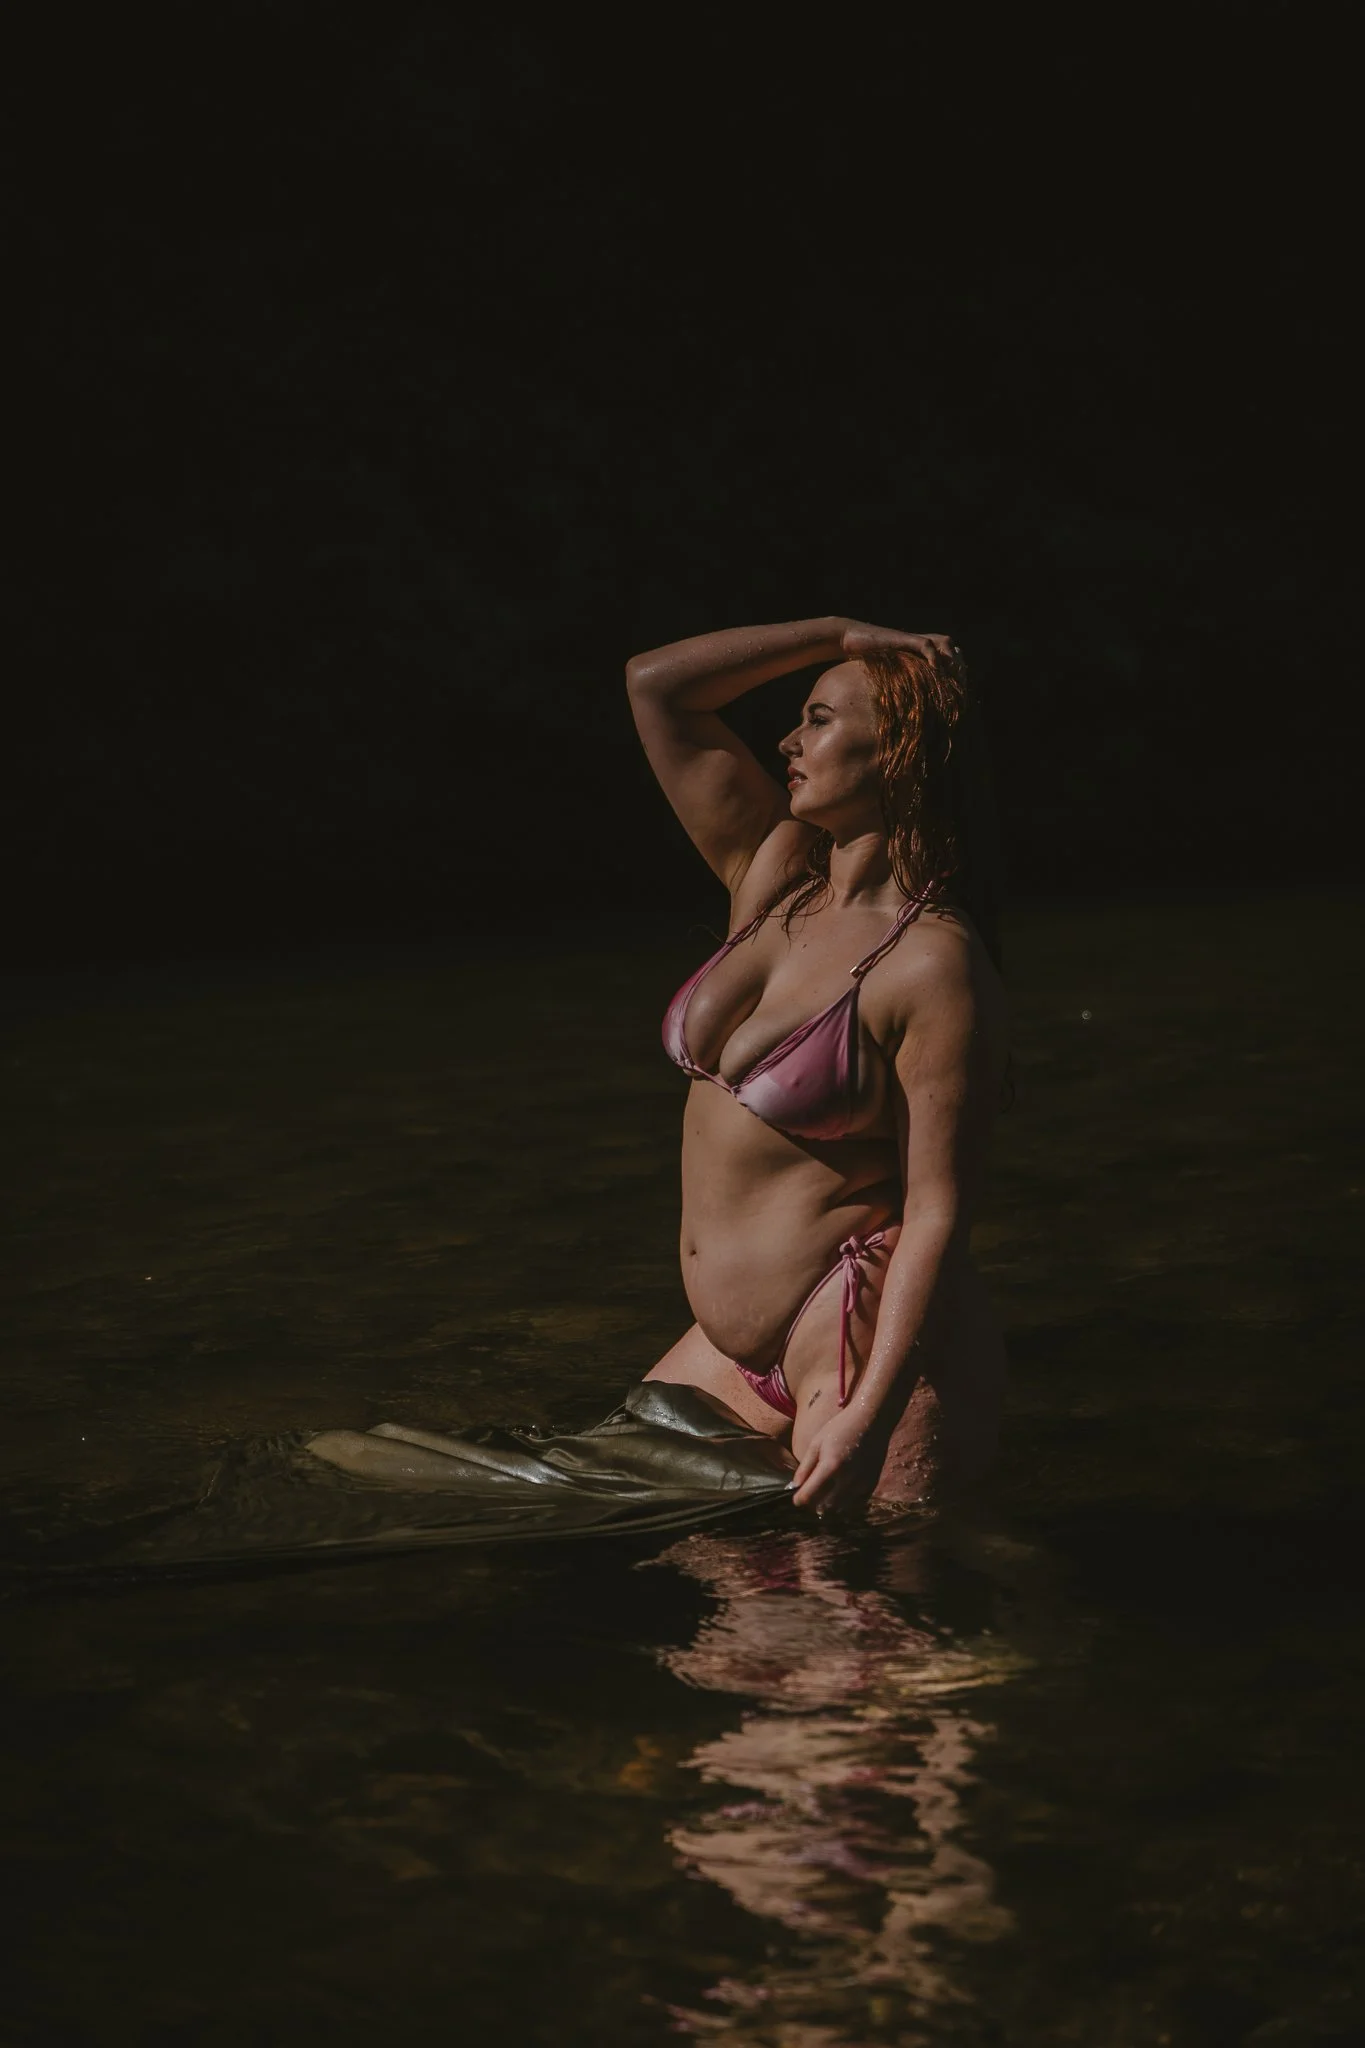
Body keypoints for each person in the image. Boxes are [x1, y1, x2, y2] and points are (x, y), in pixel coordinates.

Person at [630, 616, 1009, 1517]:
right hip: (731, 1356)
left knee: (871, 1600)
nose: (786, 742)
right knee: (690, 1600)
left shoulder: (931, 963)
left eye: (819, 720)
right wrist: (839, 634)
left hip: (854, 1345)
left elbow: (938, 1213)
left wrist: (869, 1420)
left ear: (898, 753)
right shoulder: (773, 873)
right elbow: (657, 686)